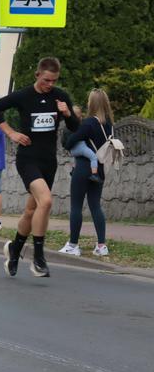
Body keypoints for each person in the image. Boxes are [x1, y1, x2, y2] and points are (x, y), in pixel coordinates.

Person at [0, 57, 79, 278]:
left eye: (54, 81)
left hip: (49, 161)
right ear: (38, 75)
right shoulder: (23, 95)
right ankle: (38, 258)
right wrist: (11, 133)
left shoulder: (59, 96)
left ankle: (14, 249)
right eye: (47, 80)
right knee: (46, 201)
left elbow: (75, 127)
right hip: (28, 159)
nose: (50, 85)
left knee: (32, 210)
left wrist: (68, 114)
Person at [59, 89, 115, 257]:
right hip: (100, 170)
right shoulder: (110, 125)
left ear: (92, 103)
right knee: (95, 206)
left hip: (83, 168)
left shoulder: (89, 123)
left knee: (76, 205)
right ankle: (101, 246)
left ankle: (73, 245)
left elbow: (70, 143)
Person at [65, 106, 103, 184]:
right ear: (79, 116)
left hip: (72, 150)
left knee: (76, 158)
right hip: (81, 147)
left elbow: (64, 139)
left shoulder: (67, 126)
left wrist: (68, 148)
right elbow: (83, 135)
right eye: (81, 115)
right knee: (93, 157)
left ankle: (73, 170)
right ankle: (94, 174)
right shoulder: (81, 125)